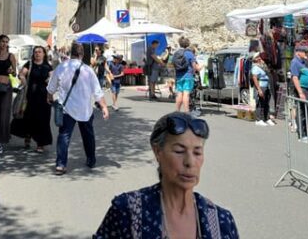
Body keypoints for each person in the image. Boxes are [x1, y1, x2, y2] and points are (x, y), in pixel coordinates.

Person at [94, 113, 239, 238]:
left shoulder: (221, 221)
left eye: (197, 152)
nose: (190, 162)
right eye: (179, 151)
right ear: (158, 152)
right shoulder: (128, 212)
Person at [47, 41, 109, 175]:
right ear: (82, 55)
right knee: (88, 136)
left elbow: (51, 88)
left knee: (64, 136)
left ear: (70, 53)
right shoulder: (88, 70)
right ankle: (91, 159)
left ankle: (60, 165)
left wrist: (50, 98)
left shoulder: (61, 67)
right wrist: (104, 107)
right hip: (84, 109)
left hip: (67, 109)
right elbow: (97, 92)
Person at [18, 46, 53, 152]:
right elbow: (21, 74)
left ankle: (40, 143)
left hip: (43, 96)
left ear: (44, 54)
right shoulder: (30, 64)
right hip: (30, 95)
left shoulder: (48, 66)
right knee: (29, 117)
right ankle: (27, 136)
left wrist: (50, 79)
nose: (37, 54)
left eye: (39, 52)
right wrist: (23, 80)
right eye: (35, 52)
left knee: (43, 119)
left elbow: (53, 78)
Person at [289, 45, 308, 142]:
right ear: (298, 52)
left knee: (307, 111)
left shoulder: (304, 62)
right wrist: (300, 92)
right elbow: (295, 78)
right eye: (304, 52)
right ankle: (302, 134)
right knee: (302, 112)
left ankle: (305, 132)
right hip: (302, 89)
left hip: (307, 90)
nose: (306, 54)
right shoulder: (295, 62)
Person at [173, 37, 200, 114]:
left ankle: (177, 111)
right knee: (186, 94)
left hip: (178, 76)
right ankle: (186, 111)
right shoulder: (189, 53)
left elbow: (173, 64)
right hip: (188, 75)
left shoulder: (176, 53)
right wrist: (193, 72)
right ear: (187, 44)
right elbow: (194, 65)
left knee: (179, 93)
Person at [250, 53, 274, 127]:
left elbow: (268, 72)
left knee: (266, 103)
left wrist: (264, 63)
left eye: (259, 57)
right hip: (261, 86)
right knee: (260, 103)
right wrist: (259, 90)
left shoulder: (262, 66)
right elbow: (255, 79)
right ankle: (258, 119)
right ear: (254, 59)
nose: (259, 58)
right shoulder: (255, 67)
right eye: (257, 57)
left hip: (266, 86)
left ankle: (266, 118)